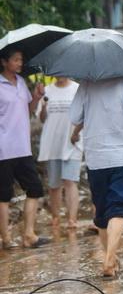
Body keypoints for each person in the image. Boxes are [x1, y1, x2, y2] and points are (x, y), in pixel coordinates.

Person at [68, 75, 123, 278]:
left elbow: (75, 117)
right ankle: (108, 260)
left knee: (103, 214)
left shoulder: (86, 86)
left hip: (97, 159)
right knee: (118, 209)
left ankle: (109, 259)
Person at [0, 47, 46, 248]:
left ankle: (29, 234)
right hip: (3, 148)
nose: (20, 63)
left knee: (35, 189)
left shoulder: (21, 83)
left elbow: (26, 112)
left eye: (21, 60)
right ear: (4, 62)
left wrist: (35, 97)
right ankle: (6, 239)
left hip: (23, 147)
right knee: (3, 195)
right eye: (16, 60)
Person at [37, 76, 82, 236]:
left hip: (72, 142)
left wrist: (77, 133)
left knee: (70, 181)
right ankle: (56, 217)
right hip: (52, 143)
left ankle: (72, 219)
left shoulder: (77, 89)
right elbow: (42, 119)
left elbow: (83, 115)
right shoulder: (47, 91)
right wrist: (43, 105)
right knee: (54, 184)